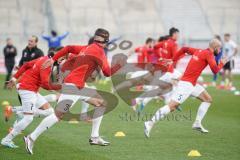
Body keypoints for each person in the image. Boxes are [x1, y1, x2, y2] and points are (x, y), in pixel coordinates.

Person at [23, 28, 125, 155]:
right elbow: (107, 73)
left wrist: (53, 58)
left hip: (77, 86)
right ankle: (31, 138)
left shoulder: (86, 48)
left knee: (101, 103)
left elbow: (69, 47)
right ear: (106, 41)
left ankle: (94, 137)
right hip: (74, 87)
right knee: (57, 116)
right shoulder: (99, 52)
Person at [144, 39, 228, 138]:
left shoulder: (198, 51)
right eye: (219, 48)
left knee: (208, 99)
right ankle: (150, 122)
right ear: (215, 47)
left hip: (192, 84)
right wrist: (222, 63)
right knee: (172, 106)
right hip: (186, 85)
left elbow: (184, 49)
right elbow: (215, 70)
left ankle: (197, 123)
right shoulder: (208, 54)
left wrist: (173, 59)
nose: (220, 50)